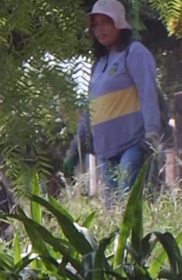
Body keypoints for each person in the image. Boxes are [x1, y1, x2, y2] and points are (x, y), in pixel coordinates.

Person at [64, 0, 161, 206]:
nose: (100, 29)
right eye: (95, 24)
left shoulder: (134, 53)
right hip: (105, 152)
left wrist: (152, 133)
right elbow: (91, 111)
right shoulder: (99, 65)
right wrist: (74, 152)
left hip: (133, 145)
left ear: (119, 23)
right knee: (113, 212)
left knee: (129, 207)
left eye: (105, 22)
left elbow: (148, 92)